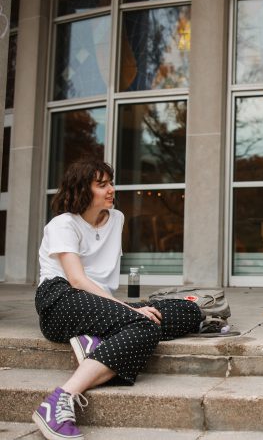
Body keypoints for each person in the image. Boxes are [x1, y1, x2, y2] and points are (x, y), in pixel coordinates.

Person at [32, 159, 204, 440]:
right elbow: (76, 280)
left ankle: (96, 337)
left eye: (111, 183)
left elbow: (100, 281)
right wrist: (127, 309)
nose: (111, 189)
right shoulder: (63, 224)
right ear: (81, 190)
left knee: (189, 311)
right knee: (144, 323)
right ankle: (58, 401)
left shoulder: (117, 218)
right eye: (102, 185)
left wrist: (123, 309)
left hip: (97, 303)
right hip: (60, 300)